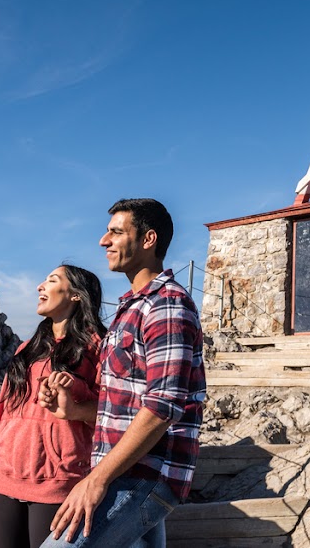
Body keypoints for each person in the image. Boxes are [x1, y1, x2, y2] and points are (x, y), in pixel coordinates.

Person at [38, 198, 206, 548]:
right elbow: (126, 403)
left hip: (142, 478)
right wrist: (74, 411)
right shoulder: (131, 308)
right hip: (127, 473)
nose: (103, 240)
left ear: (148, 240)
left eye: (116, 232)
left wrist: (96, 480)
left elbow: (162, 408)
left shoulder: (166, 305)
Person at [0, 265, 106, 548]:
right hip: (3, 481)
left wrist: (76, 397)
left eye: (52, 281)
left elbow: (113, 414)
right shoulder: (27, 349)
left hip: (58, 486)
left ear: (76, 296)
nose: (40, 287)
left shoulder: (98, 348)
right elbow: (0, 418)